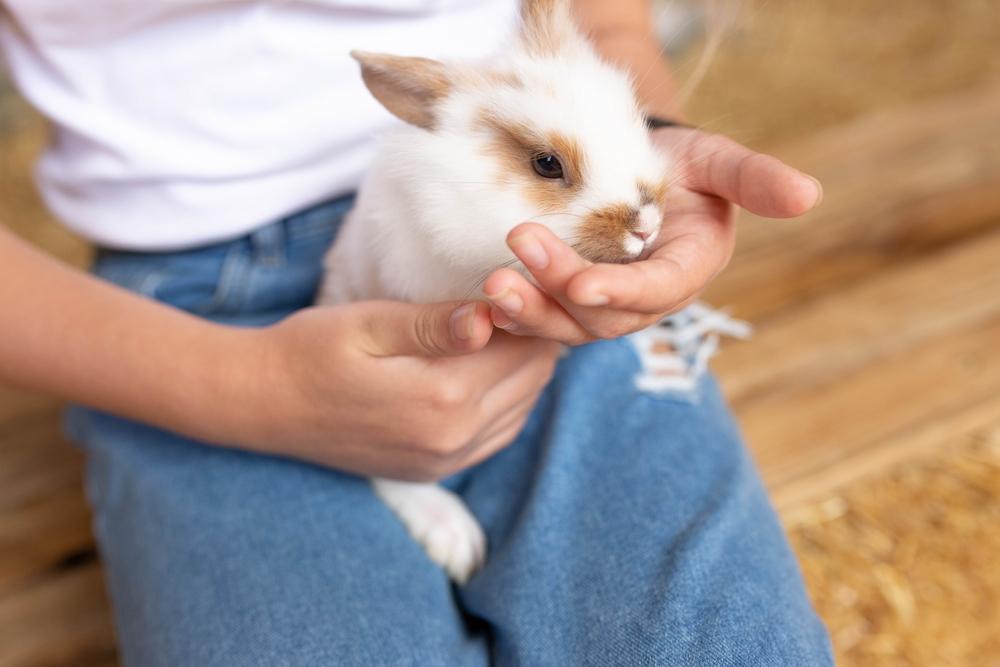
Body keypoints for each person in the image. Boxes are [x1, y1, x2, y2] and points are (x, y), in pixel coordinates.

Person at [0, 0, 832, 664]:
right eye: (545, 165)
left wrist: (646, 126)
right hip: (190, 317)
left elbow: (598, 27)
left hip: (558, 289)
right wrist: (252, 389)